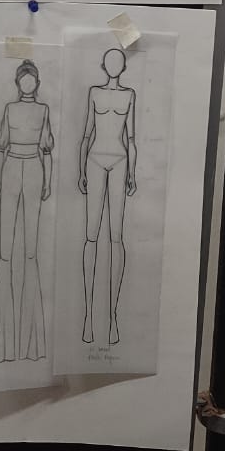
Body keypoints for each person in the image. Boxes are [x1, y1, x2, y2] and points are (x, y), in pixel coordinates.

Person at [0, 61, 53, 363]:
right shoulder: (9, 109)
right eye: (23, 79)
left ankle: (31, 345)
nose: (27, 83)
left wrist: (48, 181)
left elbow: (47, 151)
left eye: (31, 79)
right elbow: (0, 148)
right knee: (5, 251)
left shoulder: (44, 110)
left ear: (36, 83)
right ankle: (0, 344)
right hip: (11, 167)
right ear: (18, 82)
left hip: (34, 170)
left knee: (30, 251)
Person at [78, 47, 137, 345]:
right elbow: (86, 135)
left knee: (116, 237)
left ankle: (112, 317)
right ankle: (88, 316)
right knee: (91, 235)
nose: (114, 64)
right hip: (95, 160)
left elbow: (131, 138)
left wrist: (133, 173)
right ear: (103, 65)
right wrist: (81, 170)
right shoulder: (94, 93)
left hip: (120, 161)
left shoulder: (129, 95)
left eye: (119, 61)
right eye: (110, 60)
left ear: (123, 66)